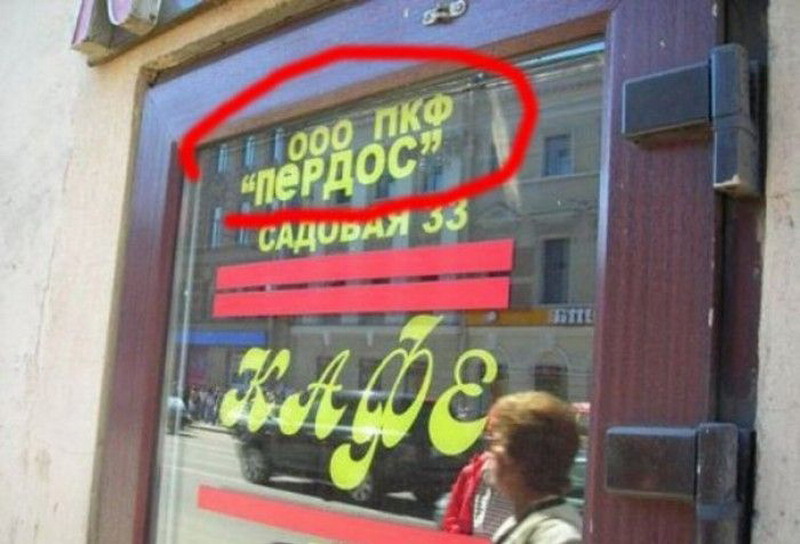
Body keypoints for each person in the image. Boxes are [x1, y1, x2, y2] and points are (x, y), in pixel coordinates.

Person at [486, 391, 582, 544]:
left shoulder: (556, 535)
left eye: (495, 442)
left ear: (515, 457)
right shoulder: (520, 521)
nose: (488, 454)